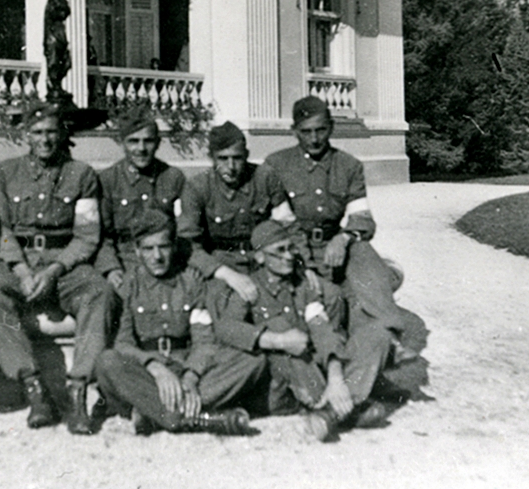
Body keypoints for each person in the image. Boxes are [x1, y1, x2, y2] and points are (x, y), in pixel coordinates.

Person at [0, 101, 114, 435]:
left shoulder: (81, 174)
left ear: (62, 133)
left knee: (99, 292)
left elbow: (86, 236)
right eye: (37, 133)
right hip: (19, 260)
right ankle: (34, 387)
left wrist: (54, 270)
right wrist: (22, 270)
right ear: (26, 135)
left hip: (63, 262)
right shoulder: (7, 172)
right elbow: (2, 230)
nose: (45, 139)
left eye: (52, 132)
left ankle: (79, 388)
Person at [209, 220, 392, 442]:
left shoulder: (303, 284)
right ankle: (346, 408)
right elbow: (226, 328)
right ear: (259, 257)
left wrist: (335, 378)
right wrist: (276, 340)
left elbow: (320, 326)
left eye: (291, 248)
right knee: (279, 327)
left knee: (377, 335)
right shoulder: (250, 289)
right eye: (280, 251)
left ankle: (330, 412)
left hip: (313, 373)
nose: (289, 256)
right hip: (279, 388)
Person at [94, 210, 265, 436]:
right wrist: (154, 367)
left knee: (254, 360)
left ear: (173, 247)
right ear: (137, 251)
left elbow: (204, 340)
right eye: (148, 249)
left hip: (184, 365)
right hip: (147, 373)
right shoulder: (128, 285)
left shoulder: (191, 282)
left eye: (163, 247)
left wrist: (190, 377)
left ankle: (157, 415)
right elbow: (123, 343)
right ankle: (192, 418)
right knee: (107, 362)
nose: (157, 256)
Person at [263, 97, 411, 358]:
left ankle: (390, 335)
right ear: (294, 131)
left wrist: (343, 238)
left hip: (334, 246)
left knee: (363, 251)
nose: (314, 139)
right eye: (306, 132)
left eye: (320, 130)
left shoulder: (349, 166)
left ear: (331, 127)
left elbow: (362, 217)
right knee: (333, 300)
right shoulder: (276, 165)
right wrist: (304, 263)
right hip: (293, 249)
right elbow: (280, 223)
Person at [177, 121, 294, 303]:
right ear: (211, 158)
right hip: (221, 263)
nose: (231, 166)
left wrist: (305, 266)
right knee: (222, 302)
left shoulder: (265, 178)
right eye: (223, 158)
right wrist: (225, 274)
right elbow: (189, 245)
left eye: (237, 158)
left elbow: (288, 227)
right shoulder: (197, 187)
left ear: (246, 155)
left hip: (264, 260)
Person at [96, 106, 185, 290]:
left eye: (148, 141)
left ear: (158, 143)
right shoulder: (108, 180)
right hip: (125, 259)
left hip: (164, 259)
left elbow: (184, 231)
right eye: (133, 141)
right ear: (122, 143)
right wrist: (111, 268)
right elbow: (102, 236)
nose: (141, 148)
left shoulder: (173, 178)